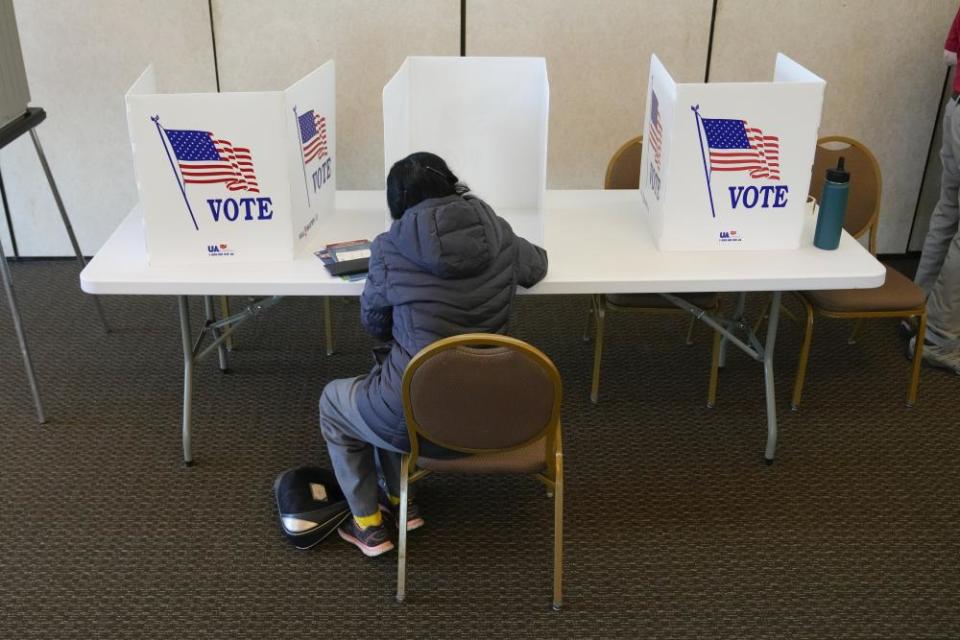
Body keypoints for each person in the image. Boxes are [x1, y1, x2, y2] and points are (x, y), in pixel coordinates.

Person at [319, 152, 549, 556]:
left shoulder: (388, 249)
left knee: (337, 401)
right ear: (453, 184)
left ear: (396, 204)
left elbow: (375, 325)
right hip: (498, 413)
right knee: (392, 376)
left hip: (419, 419)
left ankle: (369, 524)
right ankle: (400, 501)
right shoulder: (498, 232)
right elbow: (537, 266)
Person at [910, 5, 960, 375]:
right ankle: (939, 336)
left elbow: (952, 48)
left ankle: (918, 308)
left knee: (949, 211)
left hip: (957, 107)